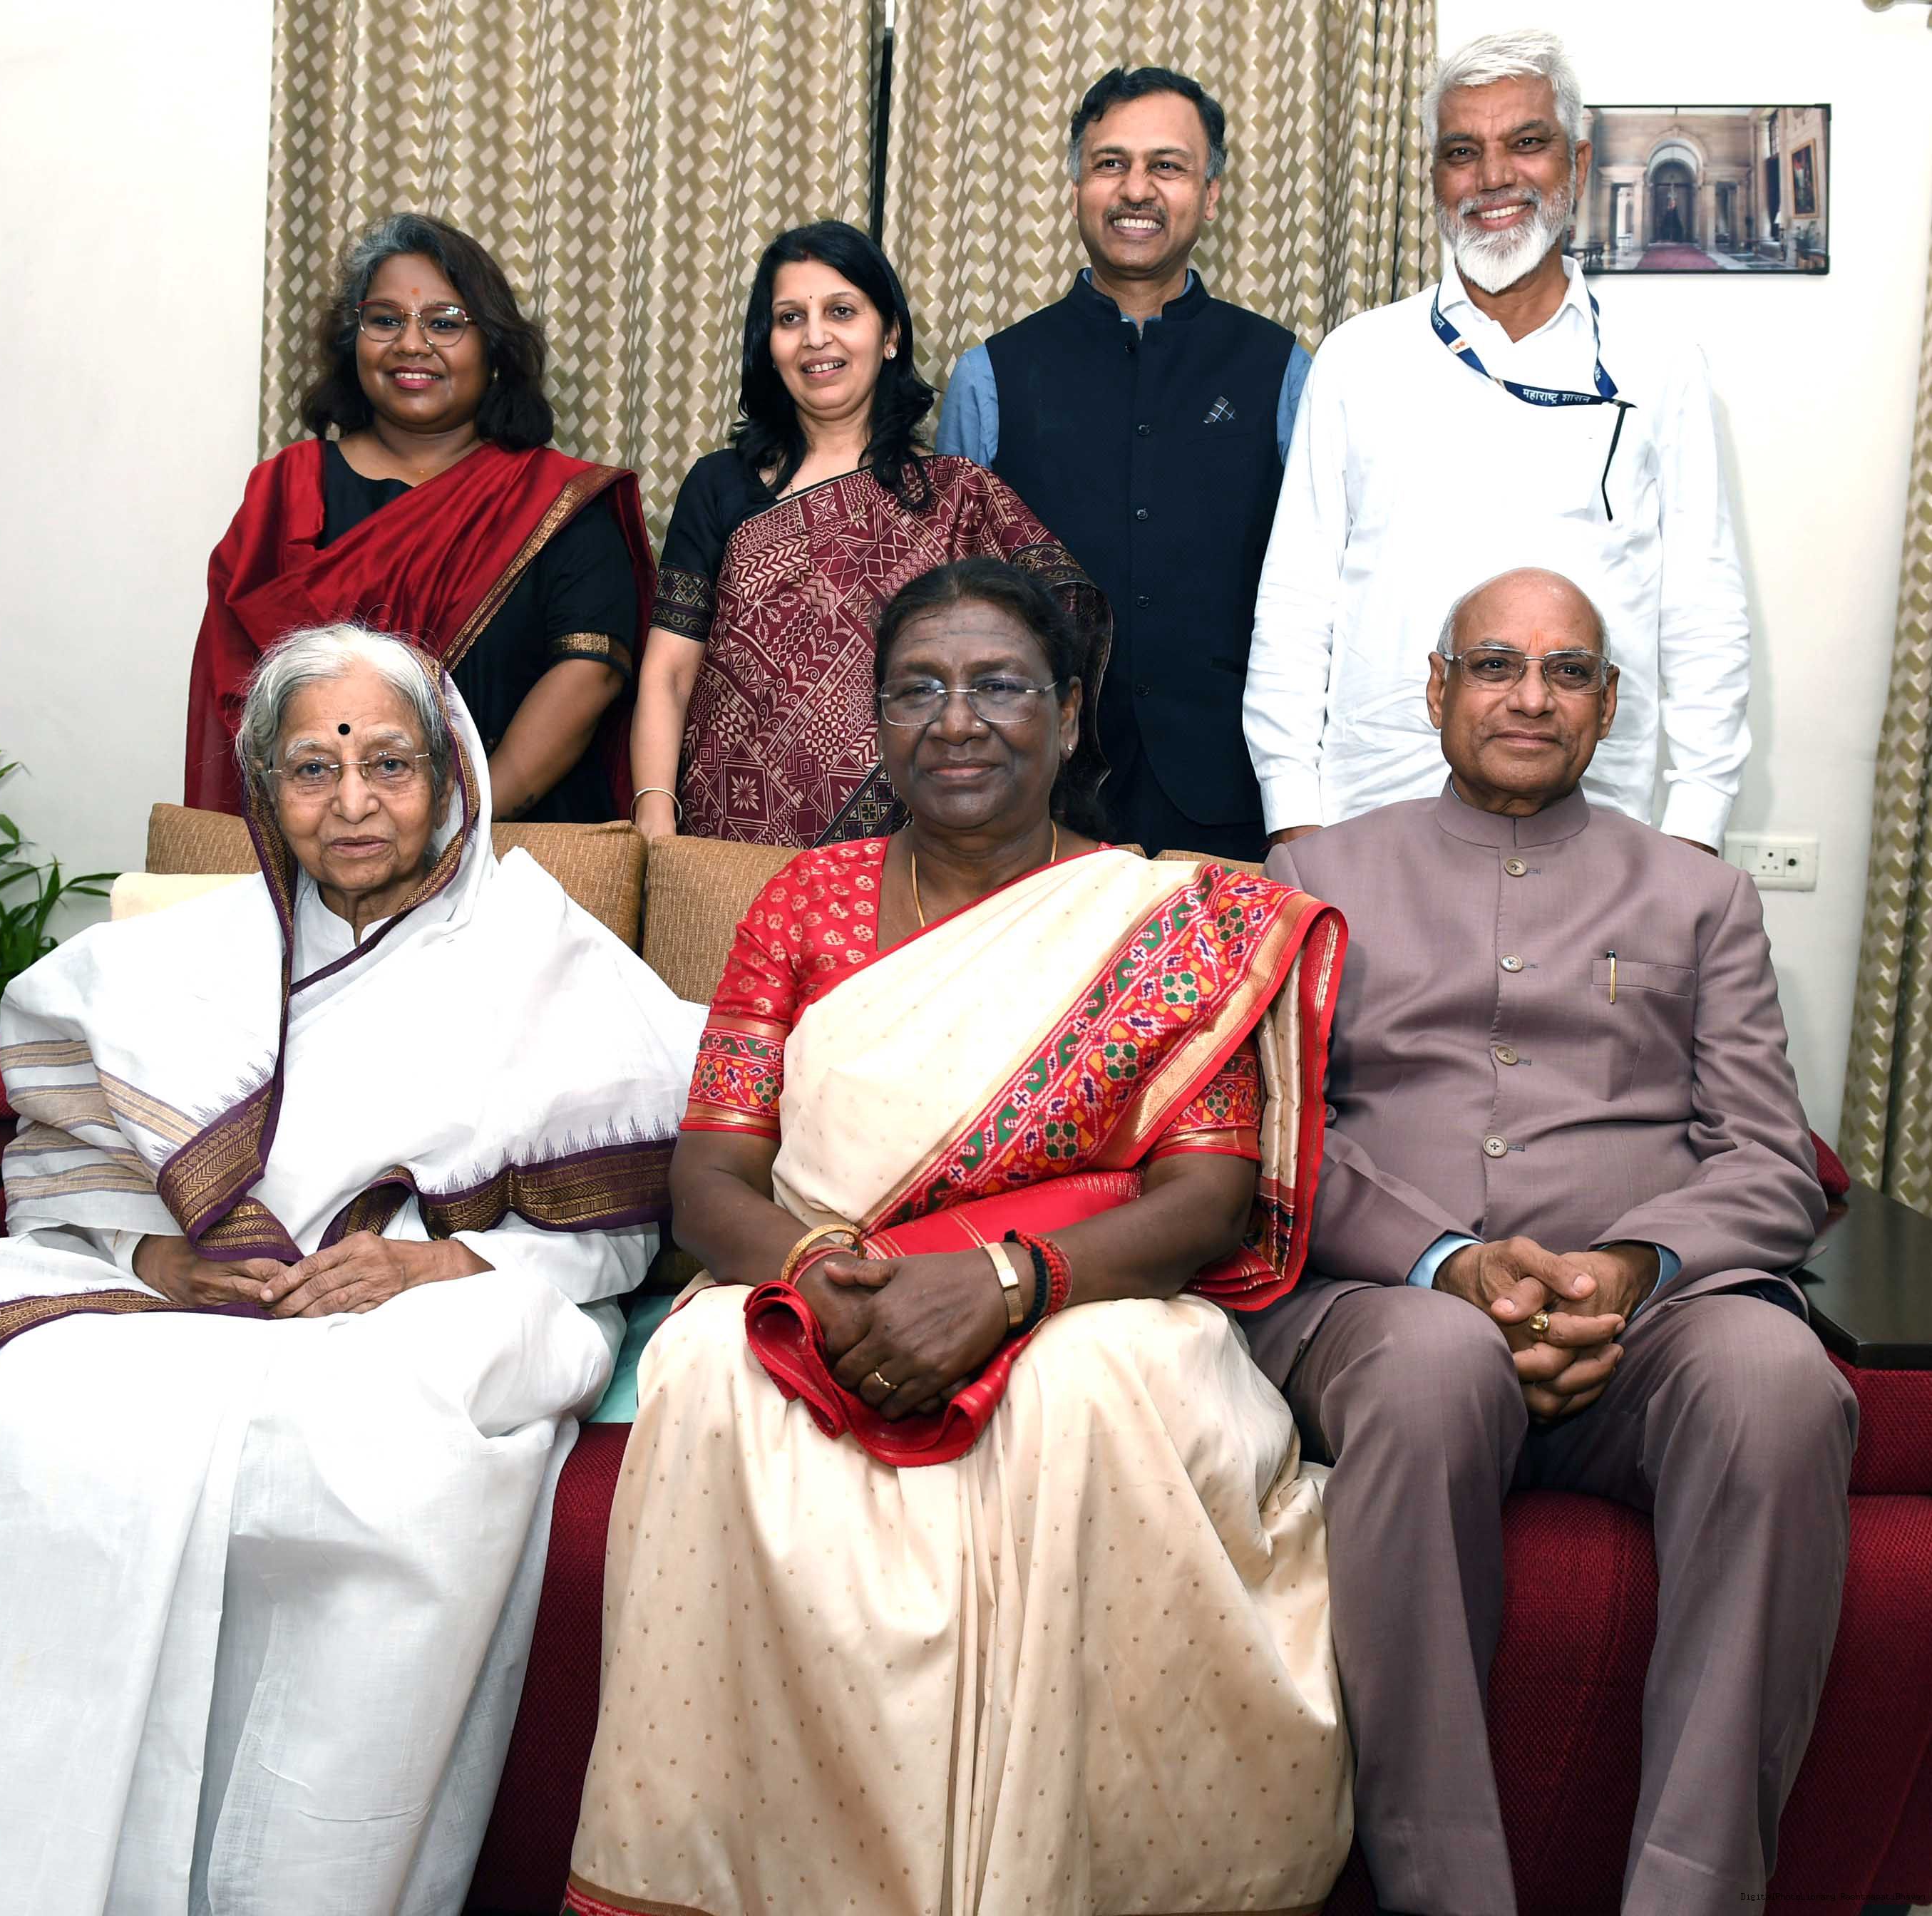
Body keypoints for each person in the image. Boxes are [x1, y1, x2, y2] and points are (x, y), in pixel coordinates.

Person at [0, 627, 702, 1913]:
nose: (352, 803)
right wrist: (159, 1255)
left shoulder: (543, 953)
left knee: (381, 1434)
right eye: (313, 768)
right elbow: (62, 1161)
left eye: (388, 765)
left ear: (449, 775)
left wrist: (426, 1267)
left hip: (420, 1306)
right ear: (266, 788)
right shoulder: (187, 959)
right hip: (190, 1301)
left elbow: (620, 1216)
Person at [569, 556, 1351, 1916]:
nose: (957, 721)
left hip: (1083, 1294)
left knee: (1098, 1388)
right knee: (710, 1366)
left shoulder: (1165, 921)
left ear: (1069, 710)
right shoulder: (801, 902)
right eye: (917, 689)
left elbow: (1205, 1197)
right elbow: (711, 1180)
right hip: (830, 1273)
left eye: (999, 686)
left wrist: (1006, 1282)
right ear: (875, 718)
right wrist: (820, 1276)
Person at [1256, 567, 1854, 1916]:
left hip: (1646, 1326)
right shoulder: (1315, 877)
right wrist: (1448, 1265)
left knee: (1780, 1383)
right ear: (1435, 689)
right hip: (1392, 1311)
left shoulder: (1698, 898)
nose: (1530, 697)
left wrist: (1632, 1269)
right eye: (1495, 665)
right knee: (1433, 1365)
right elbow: (1275, 1143)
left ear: (1608, 705)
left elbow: (1770, 1160)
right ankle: (1442, 1892)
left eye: (1566, 671)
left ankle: (1695, 1895)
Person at [1245, 30, 1751, 855]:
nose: (1492, 178)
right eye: (1462, 151)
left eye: (1526, 143)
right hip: (1379, 810)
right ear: (1434, 177)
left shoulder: (1661, 367)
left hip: (1598, 820)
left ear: (1577, 164)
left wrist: (1695, 824)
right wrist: (1294, 813)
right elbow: (1297, 606)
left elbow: (1702, 612)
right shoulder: (1358, 359)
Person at [629, 221, 1104, 848]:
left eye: (841, 311)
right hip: (722, 843)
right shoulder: (721, 485)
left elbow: (1058, 624)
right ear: (768, 345)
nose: (815, 337)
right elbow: (669, 673)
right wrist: (655, 821)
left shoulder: (954, 497)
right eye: (790, 318)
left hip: (910, 850)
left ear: (890, 336)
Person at [937, 66, 1307, 861]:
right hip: (1035, 799)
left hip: (1231, 789)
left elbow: (1312, 593)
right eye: (1111, 164)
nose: (1136, 189)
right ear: (1077, 187)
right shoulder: (991, 375)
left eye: (1167, 166)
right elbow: (956, 609)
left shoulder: (1282, 369)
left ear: (1210, 194)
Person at [185, 213, 654, 824]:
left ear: (494, 349)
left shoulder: (556, 501)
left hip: (509, 843)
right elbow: (240, 689)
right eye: (385, 320)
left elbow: (590, 676)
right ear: (352, 342)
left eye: (444, 323)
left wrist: (451, 823)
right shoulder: (287, 491)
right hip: (320, 838)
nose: (411, 344)